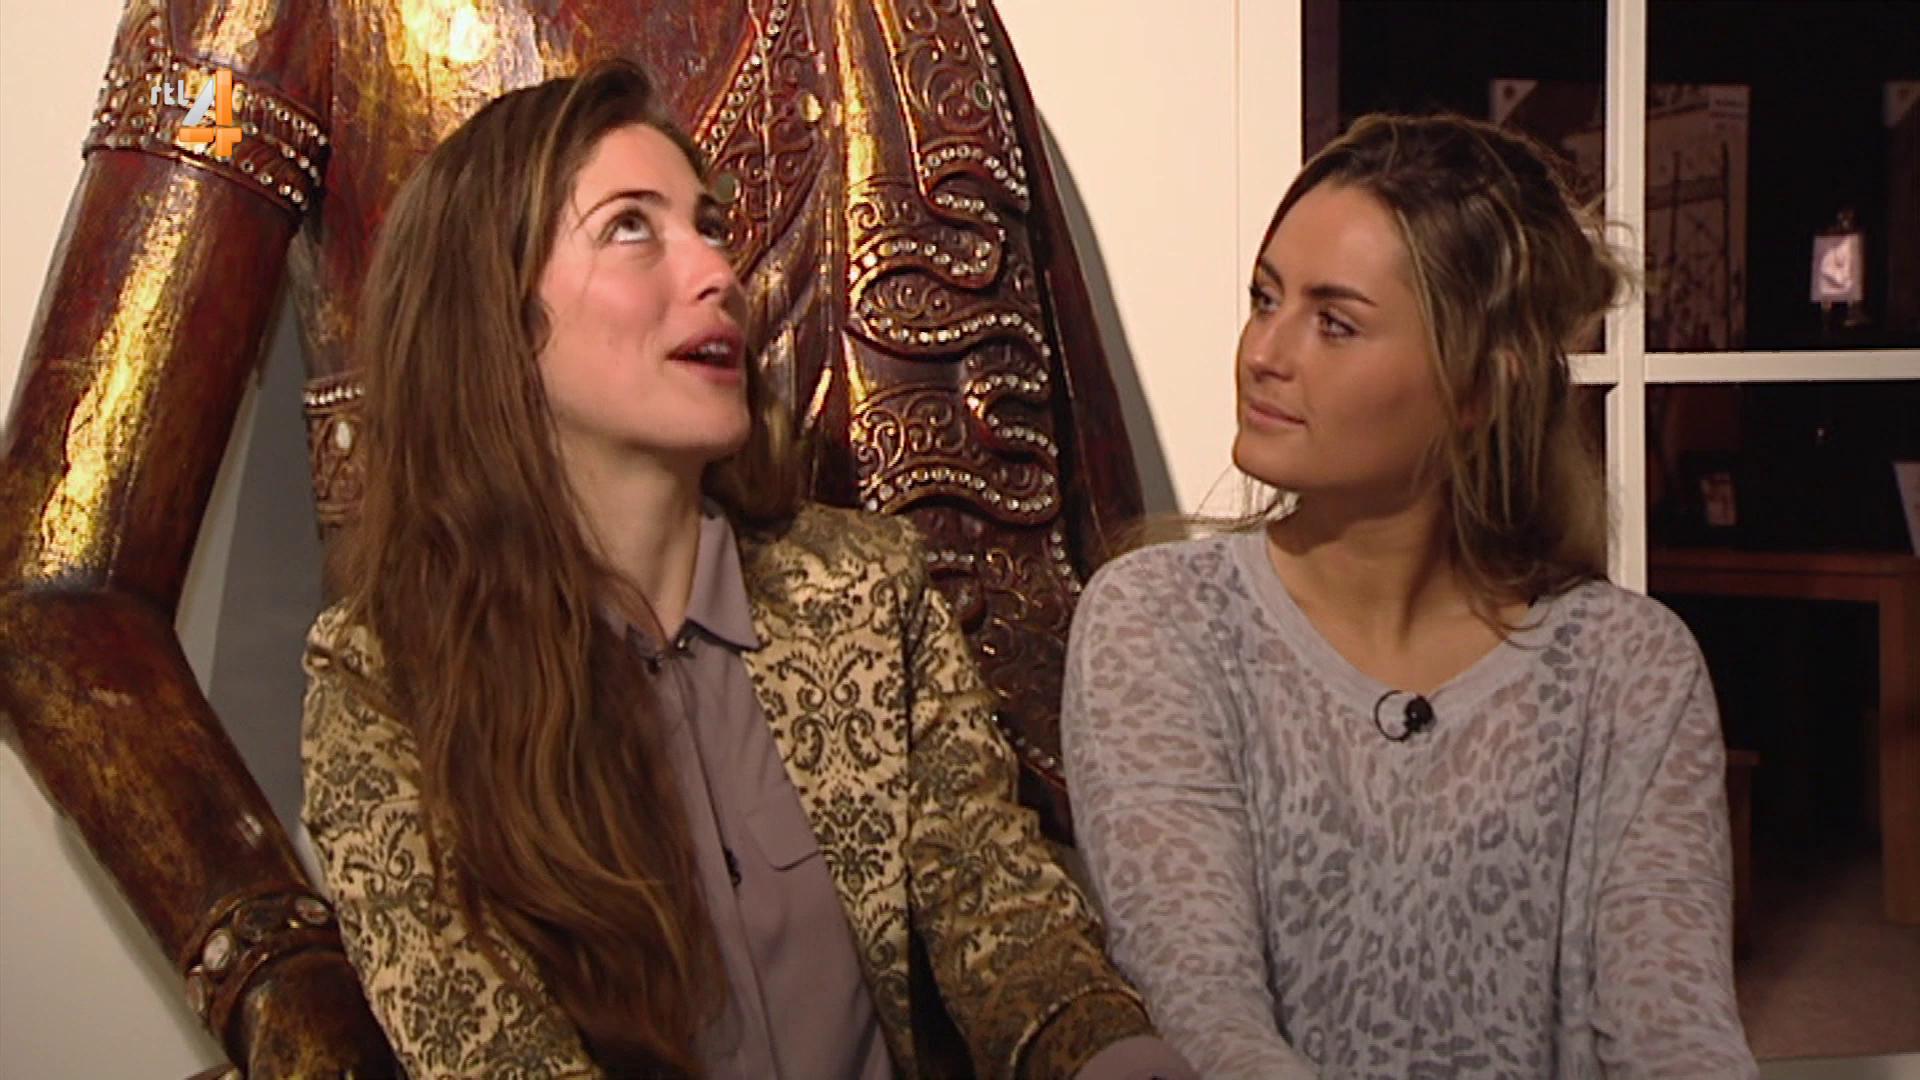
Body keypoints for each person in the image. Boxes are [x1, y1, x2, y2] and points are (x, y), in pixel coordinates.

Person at [299, 59, 1193, 1080]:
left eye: (710, 227)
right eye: (630, 228)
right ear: (494, 316)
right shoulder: (384, 679)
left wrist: (1108, 1052)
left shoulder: (863, 591)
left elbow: (1005, 919)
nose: (717, 274)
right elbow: (482, 1047)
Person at [1061, 113, 1758, 1079]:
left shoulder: (1630, 667)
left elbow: (1678, 1037)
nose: (1264, 351)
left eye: (1335, 322)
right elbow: (1206, 1018)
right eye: (1265, 299)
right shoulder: (1158, 622)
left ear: (1480, 387)